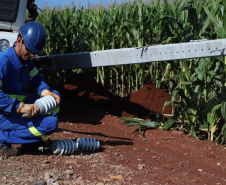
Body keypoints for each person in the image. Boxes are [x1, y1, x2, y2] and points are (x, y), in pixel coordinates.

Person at [0, 21, 61, 156]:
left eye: (35, 52)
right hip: (4, 112)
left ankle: (30, 143)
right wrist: (19, 106)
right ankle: (2, 138)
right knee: (50, 124)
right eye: (30, 50)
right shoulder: (3, 62)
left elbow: (37, 80)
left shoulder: (26, 62)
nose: (32, 55)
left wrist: (44, 91)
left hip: (15, 109)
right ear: (19, 41)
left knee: (54, 97)